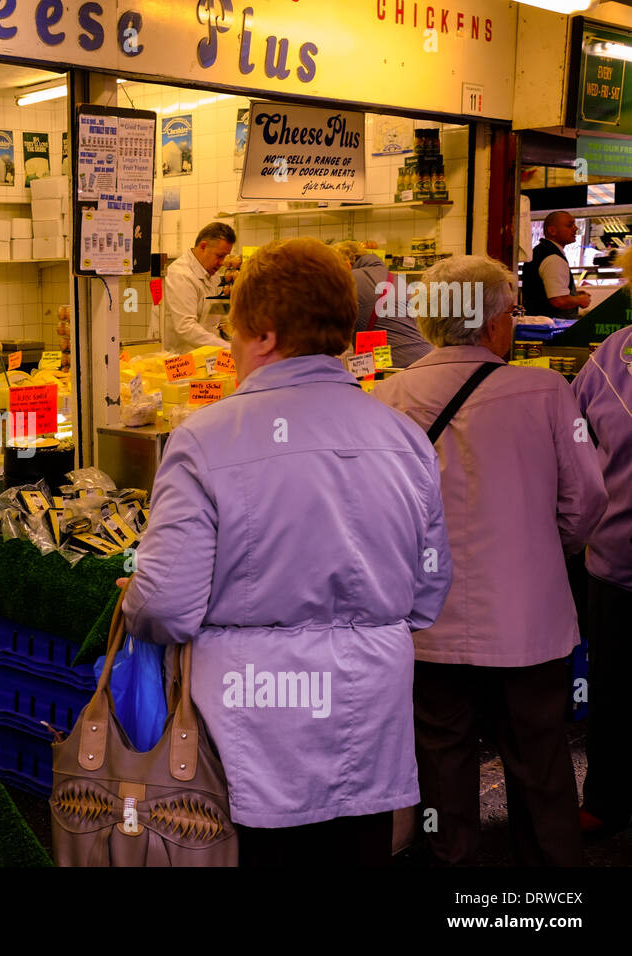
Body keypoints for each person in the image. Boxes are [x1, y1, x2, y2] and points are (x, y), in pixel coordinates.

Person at [123, 237, 452, 866]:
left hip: (252, 726)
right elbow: (429, 590)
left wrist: (138, 597)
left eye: (234, 334)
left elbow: (165, 606)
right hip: (371, 711)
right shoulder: (403, 435)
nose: (233, 351)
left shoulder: (205, 438)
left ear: (265, 336)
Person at [375, 254, 606, 866]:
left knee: (441, 766)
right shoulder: (547, 390)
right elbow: (587, 500)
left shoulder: (386, 397)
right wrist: (544, 546)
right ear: (494, 323)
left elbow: (374, 518)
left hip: (426, 629)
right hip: (529, 623)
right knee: (543, 765)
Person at [572, 309, 632, 839]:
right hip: (616, 558)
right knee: (611, 687)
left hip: (615, 551)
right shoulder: (613, 353)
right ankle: (606, 798)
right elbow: (573, 434)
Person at [334, 239, 431, 368]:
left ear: (346, 265)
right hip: (424, 356)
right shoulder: (396, 279)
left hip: (393, 363)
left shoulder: (351, 280)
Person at [163, 222, 235, 352]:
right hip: (179, 358)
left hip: (204, 358)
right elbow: (186, 327)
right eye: (219, 256)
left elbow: (215, 313)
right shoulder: (181, 275)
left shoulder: (212, 275)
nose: (222, 262)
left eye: (225, 257)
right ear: (203, 246)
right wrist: (228, 348)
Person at [521, 211, 590, 318]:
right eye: (569, 225)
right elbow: (559, 300)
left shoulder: (540, 251)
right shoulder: (553, 257)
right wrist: (580, 300)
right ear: (552, 230)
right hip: (551, 329)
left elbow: (544, 293)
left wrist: (572, 295)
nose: (575, 228)